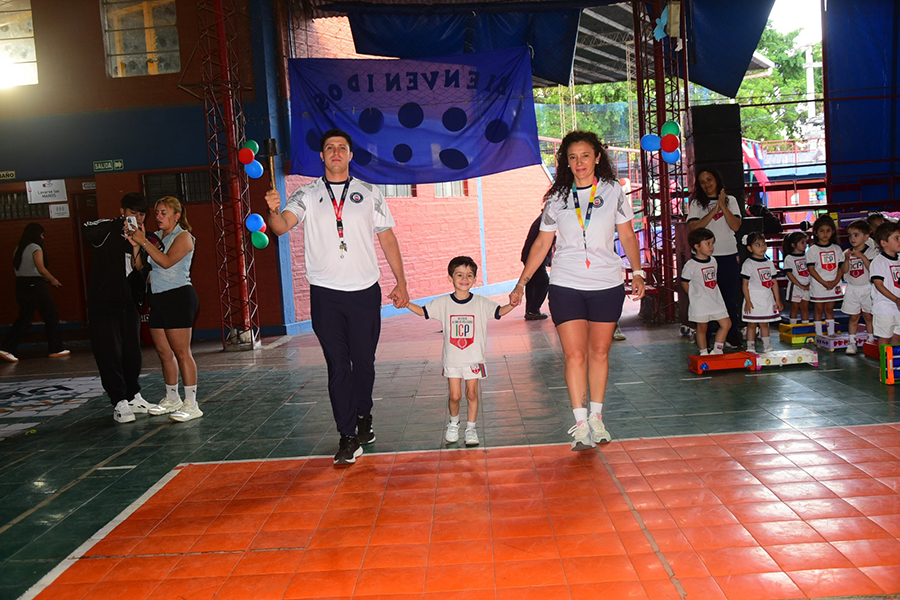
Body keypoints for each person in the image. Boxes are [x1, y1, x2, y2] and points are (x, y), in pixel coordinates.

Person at [264, 129, 409, 466]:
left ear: (350, 155)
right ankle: (347, 436)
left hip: (364, 293)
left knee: (365, 363)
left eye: (341, 148)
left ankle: (364, 416)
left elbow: (388, 239)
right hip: (326, 295)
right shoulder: (306, 194)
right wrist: (272, 210)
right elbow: (281, 226)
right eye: (329, 148)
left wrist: (401, 282)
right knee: (337, 366)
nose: (335, 152)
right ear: (321, 156)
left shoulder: (370, 193)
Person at [510, 130, 645, 451]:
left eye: (585, 155)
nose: (579, 162)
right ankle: (581, 423)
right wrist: (522, 283)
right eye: (572, 157)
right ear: (565, 163)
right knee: (574, 354)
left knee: (599, 352)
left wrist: (637, 272)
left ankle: (597, 417)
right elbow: (542, 243)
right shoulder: (556, 198)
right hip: (566, 284)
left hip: (606, 283)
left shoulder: (613, 191)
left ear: (597, 157)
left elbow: (627, 236)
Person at [407, 256, 514, 446]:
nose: (464, 279)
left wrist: (512, 304)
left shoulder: (481, 302)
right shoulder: (443, 303)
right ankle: (454, 424)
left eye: (469, 275)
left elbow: (498, 312)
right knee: (454, 395)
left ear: (474, 279)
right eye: (459, 275)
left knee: (472, 393)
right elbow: (424, 312)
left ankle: (471, 429)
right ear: (450, 278)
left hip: (474, 359)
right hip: (453, 360)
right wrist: (405, 303)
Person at [84, 193, 160, 423]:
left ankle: (133, 395)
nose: (137, 217)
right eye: (132, 213)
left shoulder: (143, 236)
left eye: (141, 214)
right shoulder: (107, 229)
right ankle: (118, 401)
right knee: (109, 352)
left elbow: (139, 268)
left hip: (127, 302)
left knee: (131, 352)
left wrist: (138, 243)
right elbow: (88, 230)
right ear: (122, 211)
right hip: (103, 303)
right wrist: (120, 226)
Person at [128, 197, 201, 423]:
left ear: (176, 216)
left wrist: (145, 242)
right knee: (163, 352)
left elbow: (167, 261)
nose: (158, 217)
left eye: (163, 213)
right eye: (157, 213)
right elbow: (139, 267)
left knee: (182, 352)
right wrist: (136, 245)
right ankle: (172, 398)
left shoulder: (184, 237)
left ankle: (192, 403)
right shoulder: (156, 238)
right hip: (157, 297)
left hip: (178, 297)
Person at [687, 169, 743, 348]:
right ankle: (708, 336)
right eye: (702, 182)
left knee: (728, 297)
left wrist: (723, 206)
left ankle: (731, 335)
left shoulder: (731, 200)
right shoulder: (696, 203)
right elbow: (694, 227)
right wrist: (713, 211)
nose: (706, 184)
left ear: (717, 181)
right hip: (706, 258)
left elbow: (735, 225)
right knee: (708, 297)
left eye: (709, 180)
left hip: (728, 254)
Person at [0, 223, 68, 362]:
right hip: (35, 285)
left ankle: (7, 348)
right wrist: (53, 280)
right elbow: (41, 269)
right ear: (37, 235)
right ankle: (55, 349)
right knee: (50, 315)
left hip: (21, 285)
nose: (43, 238)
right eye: (42, 235)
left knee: (25, 317)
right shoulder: (35, 248)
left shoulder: (19, 248)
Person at [681, 227, 731, 355]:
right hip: (700, 303)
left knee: (726, 324)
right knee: (702, 328)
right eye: (707, 244)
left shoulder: (713, 261)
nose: (711, 247)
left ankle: (717, 350)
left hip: (716, 300)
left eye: (712, 243)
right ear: (697, 246)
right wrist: (694, 296)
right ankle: (703, 353)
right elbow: (684, 281)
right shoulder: (691, 265)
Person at [841, 220, 879, 354]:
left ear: (866, 237)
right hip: (852, 288)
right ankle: (852, 342)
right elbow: (844, 271)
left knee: (868, 315)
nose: (852, 238)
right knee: (853, 317)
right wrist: (846, 259)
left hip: (867, 287)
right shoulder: (847, 252)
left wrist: (862, 256)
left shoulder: (872, 252)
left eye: (856, 235)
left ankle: (870, 339)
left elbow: (872, 269)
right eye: (850, 236)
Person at [741, 232, 782, 354]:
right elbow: (745, 284)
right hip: (753, 297)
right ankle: (750, 347)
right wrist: (748, 301)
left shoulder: (769, 263)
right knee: (752, 324)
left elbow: (774, 282)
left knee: (765, 324)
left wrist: (777, 299)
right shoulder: (748, 264)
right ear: (750, 248)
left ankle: (767, 346)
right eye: (758, 245)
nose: (762, 247)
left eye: (764, 244)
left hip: (766, 297)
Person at [806, 214, 844, 336]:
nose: (825, 234)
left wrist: (835, 281)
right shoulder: (813, 250)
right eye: (822, 231)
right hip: (819, 284)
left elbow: (841, 268)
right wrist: (824, 282)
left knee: (829, 309)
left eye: (828, 231)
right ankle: (819, 334)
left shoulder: (837, 249)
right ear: (816, 233)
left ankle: (831, 333)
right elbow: (811, 269)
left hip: (834, 284)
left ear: (833, 232)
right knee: (818, 309)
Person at [869, 221, 900, 345]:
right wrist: (896, 299)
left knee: (897, 337)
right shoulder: (878, 262)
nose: (899, 241)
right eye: (896, 238)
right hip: (884, 307)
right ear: (884, 243)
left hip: (898, 307)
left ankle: (895, 364)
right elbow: (879, 285)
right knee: (885, 338)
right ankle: (884, 364)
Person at [520, 212, 551, 320]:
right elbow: (544, 242)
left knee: (532, 283)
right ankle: (533, 310)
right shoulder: (545, 221)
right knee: (544, 282)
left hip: (530, 256)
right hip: (534, 258)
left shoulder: (541, 219)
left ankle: (530, 310)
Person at [782, 231, 811, 324]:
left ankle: (806, 326)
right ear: (793, 245)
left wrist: (809, 284)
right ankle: (793, 326)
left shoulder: (807, 256)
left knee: (805, 307)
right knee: (794, 307)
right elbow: (789, 274)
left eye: (806, 242)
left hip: (807, 285)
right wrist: (800, 285)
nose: (805, 245)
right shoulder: (789, 258)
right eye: (802, 242)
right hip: (795, 286)